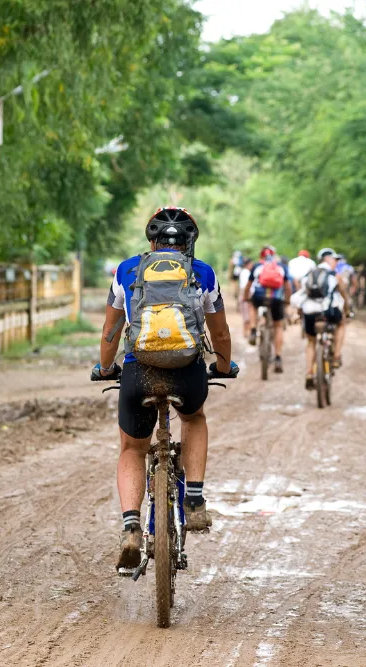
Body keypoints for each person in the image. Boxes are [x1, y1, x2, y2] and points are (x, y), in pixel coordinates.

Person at [94, 207, 238, 571]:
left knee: (132, 446)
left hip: (138, 371)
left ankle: (130, 527)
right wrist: (223, 366)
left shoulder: (127, 270)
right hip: (186, 372)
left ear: (151, 239)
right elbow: (220, 334)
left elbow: (110, 332)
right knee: (194, 416)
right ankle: (194, 500)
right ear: (190, 241)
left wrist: (106, 367)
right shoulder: (202, 273)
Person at [292, 248, 349, 388]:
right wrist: (347, 310)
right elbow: (343, 294)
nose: (336, 263)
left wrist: (300, 313)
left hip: (310, 313)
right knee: (341, 324)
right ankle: (336, 356)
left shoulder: (310, 274)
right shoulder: (334, 275)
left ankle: (310, 373)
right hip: (329, 311)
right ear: (328, 260)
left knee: (311, 342)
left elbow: (302, 295)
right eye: (335, 260)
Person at [247, 246, 292, 373]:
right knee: (278, 325)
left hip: (259, 297)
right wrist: (287, 300)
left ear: (261, 256)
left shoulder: (257, 266)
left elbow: (249, 285)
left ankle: (253, 330)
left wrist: (246, 297)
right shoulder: (281, 267)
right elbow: (288, 286)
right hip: (276, 299)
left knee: (253, 306)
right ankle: (278, 357)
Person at [238, 257, 255, 337]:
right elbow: (246, 286)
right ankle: (246, 332)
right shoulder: (246, 272)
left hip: (246, 294)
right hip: (247, 294)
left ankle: (246, 332)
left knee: (246, 313)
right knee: (247, 314)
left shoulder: (243, 272)